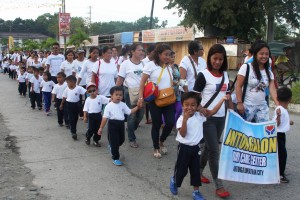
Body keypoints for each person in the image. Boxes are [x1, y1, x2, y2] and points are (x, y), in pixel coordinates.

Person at [169, 92, 229, 200]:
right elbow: (182, 134)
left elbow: (212, 111)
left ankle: (196, 192)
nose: (189, 107)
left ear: (197, 106)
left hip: (196, 149)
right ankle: (174, 180)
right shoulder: (181, 119)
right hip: (184, 148)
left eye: (193, 105)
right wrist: (185, 120)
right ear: (182, 105)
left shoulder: (200, 116)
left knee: (195, 171)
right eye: (186, 105)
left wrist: (222, 100)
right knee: (181, 171)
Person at [193, 44, 231, 198]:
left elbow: (227, 96)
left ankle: (198, 172)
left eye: (221, 59)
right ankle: (219, 185)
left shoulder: (225, 75)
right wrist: (202, 109)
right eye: (215, 58)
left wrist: (233, 112)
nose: (217, 62)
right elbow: (194, 97)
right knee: (215, 151)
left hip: (221, 117)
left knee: (208, 149)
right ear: (209, 58)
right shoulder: (203, 74)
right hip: (207, 119)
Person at [138, 44, 175, 158]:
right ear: (159, 54)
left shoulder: (169, 66)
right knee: (156, 124)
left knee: (170, 123)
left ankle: (162, 140)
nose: (168, 57)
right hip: (155, 100)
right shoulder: (150, 65)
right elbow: (142, 83)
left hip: (169, 98)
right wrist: (140, 98)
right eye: (165, 54)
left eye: (169, 55)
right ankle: (156, 147)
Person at [236, 42, 278, 122]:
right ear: (255, 54)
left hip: (262, 108)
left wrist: (279, 106)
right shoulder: (246, 67)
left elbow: (273, 90)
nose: (264, 56)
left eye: (266, 54)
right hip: (247, 107)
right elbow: (238, 86)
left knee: (261, 133)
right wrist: (239, 103)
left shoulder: (269, 73)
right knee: (246, 132)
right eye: (261, 54)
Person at [97, 86, 140, 166]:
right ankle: (115, 158)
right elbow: (105, 118)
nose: (118, 96)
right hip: (112, 124)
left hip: (121, 124)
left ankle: (112, 146)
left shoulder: (123, 105)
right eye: (116, 94)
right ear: (111, 95)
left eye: (120, 95)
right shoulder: (108, 106)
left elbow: (129, 112)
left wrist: (137, 107)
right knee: (115, 142)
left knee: (121, 140)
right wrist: (100, 128)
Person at [116, 43, 145, 148]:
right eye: (139, 50)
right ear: (132, 51)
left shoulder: (144, 64)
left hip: (142, 92)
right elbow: (120, 79)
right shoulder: (125, 64)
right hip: (129, 92)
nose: (141, 52)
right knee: (132, 115)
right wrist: (115, 93)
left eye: (142, 50)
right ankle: (132, 138)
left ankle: (131, 127)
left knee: (141, 115)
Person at [272, 87, 294, 183]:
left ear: (277, 98)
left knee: (280, 154)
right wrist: (279, 116)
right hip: (278, 134)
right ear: (290, 99)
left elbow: (283, 122)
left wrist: (289, 122)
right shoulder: (279, 110)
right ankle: (280, 175)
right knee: (282, 155)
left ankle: (278, 172)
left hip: (281, 134)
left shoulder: (282, 109)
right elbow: (277, 124)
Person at [60, 75, 86, 140]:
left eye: (68, 82)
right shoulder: (66, 89)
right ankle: (73, 132)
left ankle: (73, 128)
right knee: (71, 118)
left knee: (75, 118)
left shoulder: (79, 88)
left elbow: (86, 92)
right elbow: (64, 97)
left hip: (77, 105)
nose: (67, 84)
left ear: (73, 82)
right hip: (69, 104)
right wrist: (61, 104)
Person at [83, 83, 110, 147]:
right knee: (91, 128)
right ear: (88, 92)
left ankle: (96, 140)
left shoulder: (100, 97)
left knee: (98, 129)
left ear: (97, 90)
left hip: (98, 115)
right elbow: (85, 109)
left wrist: (114, 99)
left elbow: (108, 100)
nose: (92, 92)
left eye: (94, 90)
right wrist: (85, 117)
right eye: (90, 91)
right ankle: (88, 137)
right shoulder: (88, 99)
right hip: (91, 116)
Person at [142, 44, 156, 125]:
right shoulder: (144, 62)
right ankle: (147, 118)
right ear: (149, 52)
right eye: (154, 51)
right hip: (146, 84)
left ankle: (151, 117)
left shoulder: (156, 61)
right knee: (147, 104)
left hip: (153, 84)